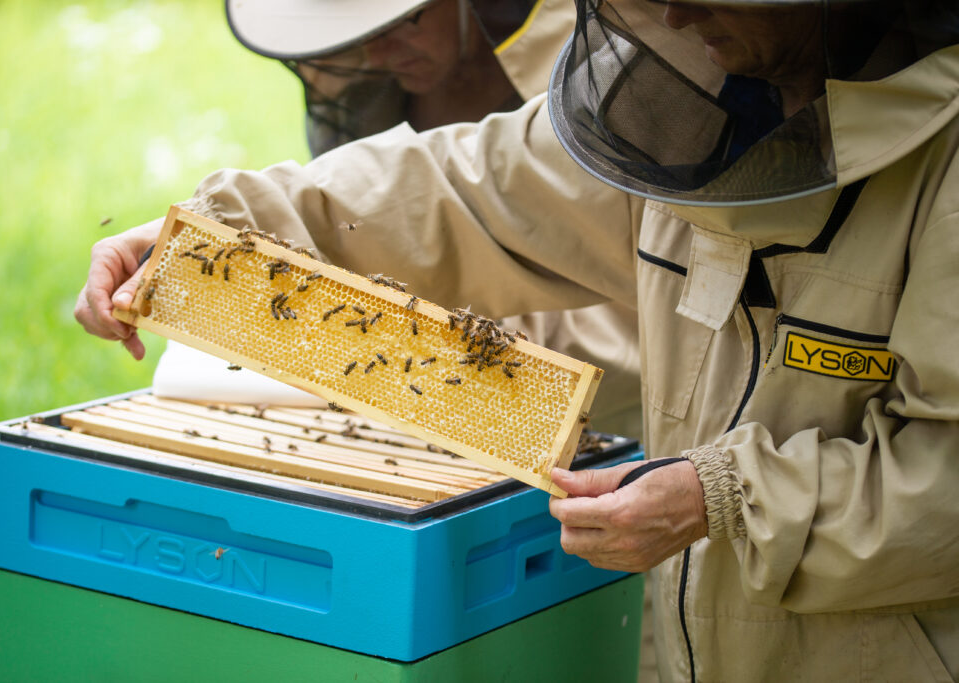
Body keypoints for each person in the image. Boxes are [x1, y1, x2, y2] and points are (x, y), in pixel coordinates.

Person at [76, 0, 959, 679]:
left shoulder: (943, 169)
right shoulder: (686, 98)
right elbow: (464, 189)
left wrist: (718, 496)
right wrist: (212, 237)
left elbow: (946, 475)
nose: (676, 17)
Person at [222, 0, 644, 437]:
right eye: (361, 37)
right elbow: (358, 215)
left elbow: (634, 291)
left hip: (617, 414)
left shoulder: (602, 67)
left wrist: (456, 345)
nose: (379, 54)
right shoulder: (366, 84)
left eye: (404, 21)